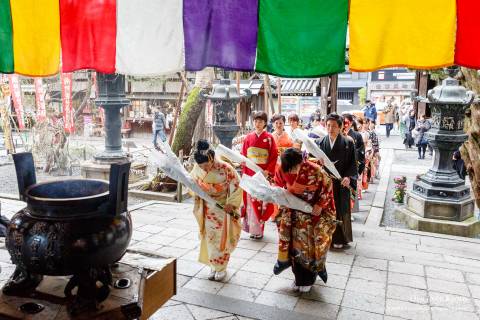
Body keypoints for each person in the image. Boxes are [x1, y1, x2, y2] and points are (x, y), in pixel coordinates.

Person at [273, 148, 337, 292]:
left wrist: (320, 204)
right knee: (293, 248)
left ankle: (308, 279)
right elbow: (276, 185)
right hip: (292, 215)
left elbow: (327, 187)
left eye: (296, 167)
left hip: (311, 217)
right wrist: (280, 197)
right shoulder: (283, 169)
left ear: (301, 161)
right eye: (290, 169)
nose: (293, 171)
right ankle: (298, 278)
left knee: (308, 248)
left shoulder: (315, 170)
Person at [190, 140, 242, 281]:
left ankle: (221, 268)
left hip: (222, 209)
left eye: (207, 165)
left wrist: (231, 204)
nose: (205, 168)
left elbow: (237, 186)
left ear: (212, 158)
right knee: (210, 238)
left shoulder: (226, 168)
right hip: (207, 209)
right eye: (202, 166)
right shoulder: (197, 168)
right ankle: (213, 266)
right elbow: (192, 183)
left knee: (222, 239)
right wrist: (198, 190)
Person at [317, 113, 357, 249]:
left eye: (334, 126)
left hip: (341, 182)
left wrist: (348, 177)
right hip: (325, 182)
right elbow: (311, 161)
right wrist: (318, 162)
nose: (330, 128)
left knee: (340, 209)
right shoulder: (320, 142)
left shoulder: (347, 143)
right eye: (328, 125)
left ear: (340, 127)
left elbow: (353, 163)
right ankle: (324, 237)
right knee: (324, 209)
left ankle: (339, 238)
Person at [241, 111, 278, 239]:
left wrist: (268, 170)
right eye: (256, 121)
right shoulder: (248, 137)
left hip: (262, 174)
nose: (258, 124)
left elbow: (274, 156)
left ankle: (259, 230)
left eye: (261, 121)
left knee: (260, 201)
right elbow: (244, 155)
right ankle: (252, 229)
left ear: (265, 123)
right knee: (250, 202)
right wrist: (244, 167)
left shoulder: (269, 138)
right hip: (250, 173)